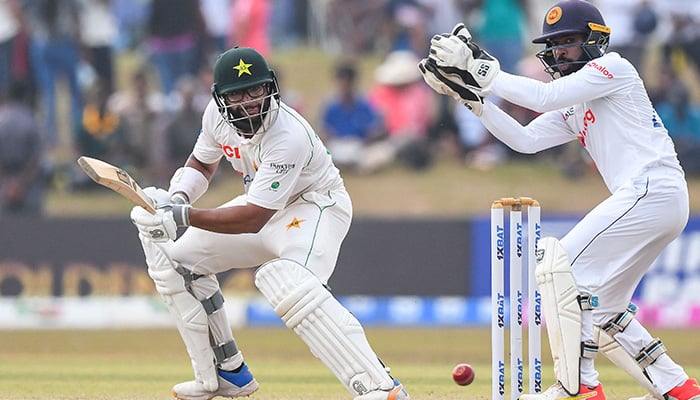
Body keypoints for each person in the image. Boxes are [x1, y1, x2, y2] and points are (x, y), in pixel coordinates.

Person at [418, 1, 700, 400]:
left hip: (652, 189)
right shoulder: (575, 100)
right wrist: (474, 101)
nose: (560, 51)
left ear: (595, 40)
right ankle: (679, 387)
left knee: (561, 265)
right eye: (554, 44)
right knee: (604, 313)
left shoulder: (613, 69)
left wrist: (484, 68)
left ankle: (580, 387)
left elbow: (542, 95)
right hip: (654, 200)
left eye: (569, 41)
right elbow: (526, 140)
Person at [129, 46, 410, 400]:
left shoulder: (287, 134)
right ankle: (223, 373)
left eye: (255, 90)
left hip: (313, 208)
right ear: (221, 98)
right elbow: (202, 164)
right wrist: (178, 198)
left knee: (288, 282)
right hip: (263, 205)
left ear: (270, 88)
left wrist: (182, 217)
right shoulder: (215, 116)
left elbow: (253, 218)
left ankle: (381, 389)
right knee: (177, 263)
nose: (248, 102)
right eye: (237, 94)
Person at [0, 79, 47, 215]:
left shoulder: (2, 119)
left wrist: (7, 184)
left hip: (4, 180)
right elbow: (35, 160)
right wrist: (21, 184)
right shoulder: (31, 121)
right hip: (28, 184)